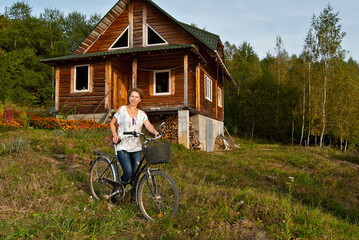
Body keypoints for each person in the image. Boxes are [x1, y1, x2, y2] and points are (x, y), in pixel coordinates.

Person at [110, 87, 158, 199]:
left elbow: (148, 125)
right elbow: (112, 123)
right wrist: (115, 135)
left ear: (140, 99)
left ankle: (134, 198)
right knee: (128, 171)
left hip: (136, 147)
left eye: (136, 97)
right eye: (132, 96)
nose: (133, 99)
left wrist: (155, 132)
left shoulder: (142, 114)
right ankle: (117, 193)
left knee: (136, 174)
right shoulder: (121, 110)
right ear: (129, 97)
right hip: (123, 145)